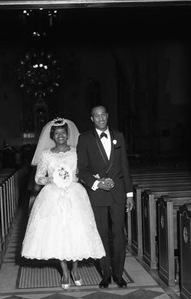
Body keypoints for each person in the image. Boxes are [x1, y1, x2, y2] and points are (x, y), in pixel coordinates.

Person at [21, 118, 106, 289]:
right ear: (52, 136)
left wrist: (79, 178)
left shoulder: (77, 152)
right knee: (58, 233)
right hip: (52, 196)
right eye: (57, 133)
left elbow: (84, 172)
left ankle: (75, 269)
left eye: (63, 133)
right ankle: (64, 271)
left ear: (68, 134)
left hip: (75, 194)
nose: (60, 136)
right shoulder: (46, 154)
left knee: (76, 231)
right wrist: (50, 179)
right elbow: (38, 177)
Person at [76, 105, 134, 288]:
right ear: (92, 119)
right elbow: (82, 169)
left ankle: (118, 274)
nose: (100, 119)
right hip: (98, 194)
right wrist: (97, 183)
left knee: (119, 235)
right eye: (96, 116)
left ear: (107, 116)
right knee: (101, 234)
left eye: (103, 115)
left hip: (118, 192)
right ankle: (106, 274)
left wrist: (129, 194)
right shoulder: (84, 138)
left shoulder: (119, 136)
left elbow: (125, 166)